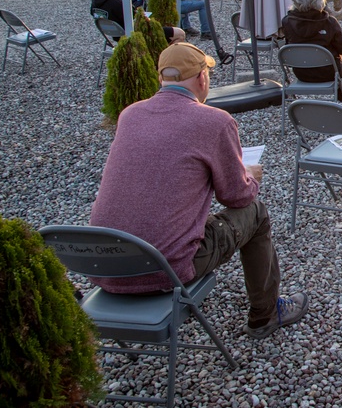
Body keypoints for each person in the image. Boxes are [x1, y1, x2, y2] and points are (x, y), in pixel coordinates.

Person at [90, 42, 310, 339]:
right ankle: (265, 314)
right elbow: (236, 196)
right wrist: (249, 176)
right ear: (202, 79)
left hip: (105, 264)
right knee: (255, 212)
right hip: (165, 268)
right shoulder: (214, 121)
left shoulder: (130, 115)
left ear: (160, 79)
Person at [281, 0, 342, 101]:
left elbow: (288, 46)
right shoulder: (329, 22)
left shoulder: (287, 22)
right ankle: (339, 98)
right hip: (329, 72)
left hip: (301, 72)